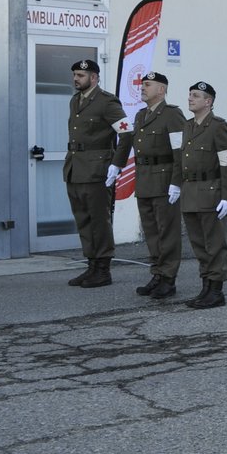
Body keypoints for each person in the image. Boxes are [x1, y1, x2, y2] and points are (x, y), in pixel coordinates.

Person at [64, 58, 133, 289]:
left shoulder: (106, 102)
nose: (76, 79)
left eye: (81, 76)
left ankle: (103, 269)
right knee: (83, 220)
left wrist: (116, 164)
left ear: (94, 77)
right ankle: (92, 265)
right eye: (74, 75)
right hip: (75, 168)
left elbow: (127, 133)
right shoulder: (76, 101)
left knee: (99, 221)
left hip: (97, 170)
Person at [122, 71, 186, 300]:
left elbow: (180, 152)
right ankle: (157, 273)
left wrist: (176, 183)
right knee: (151, 231)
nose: (142, 88)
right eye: (142, 84)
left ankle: (168, 278)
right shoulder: (141, 116)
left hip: (164, 179)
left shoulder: (172, 115)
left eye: (147, 85)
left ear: (161, 89)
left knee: (167, 231)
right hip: (145, 179)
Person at [179, 81, 227, 309]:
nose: (190, 99)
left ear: (208, 101)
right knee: (198, 244)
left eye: (196, 95)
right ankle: (205, 286)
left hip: (210, 191)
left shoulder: (217, 126)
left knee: (214, 244)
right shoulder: (188, 126)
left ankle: (216, 290)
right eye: (190, 94)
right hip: (190, 192)